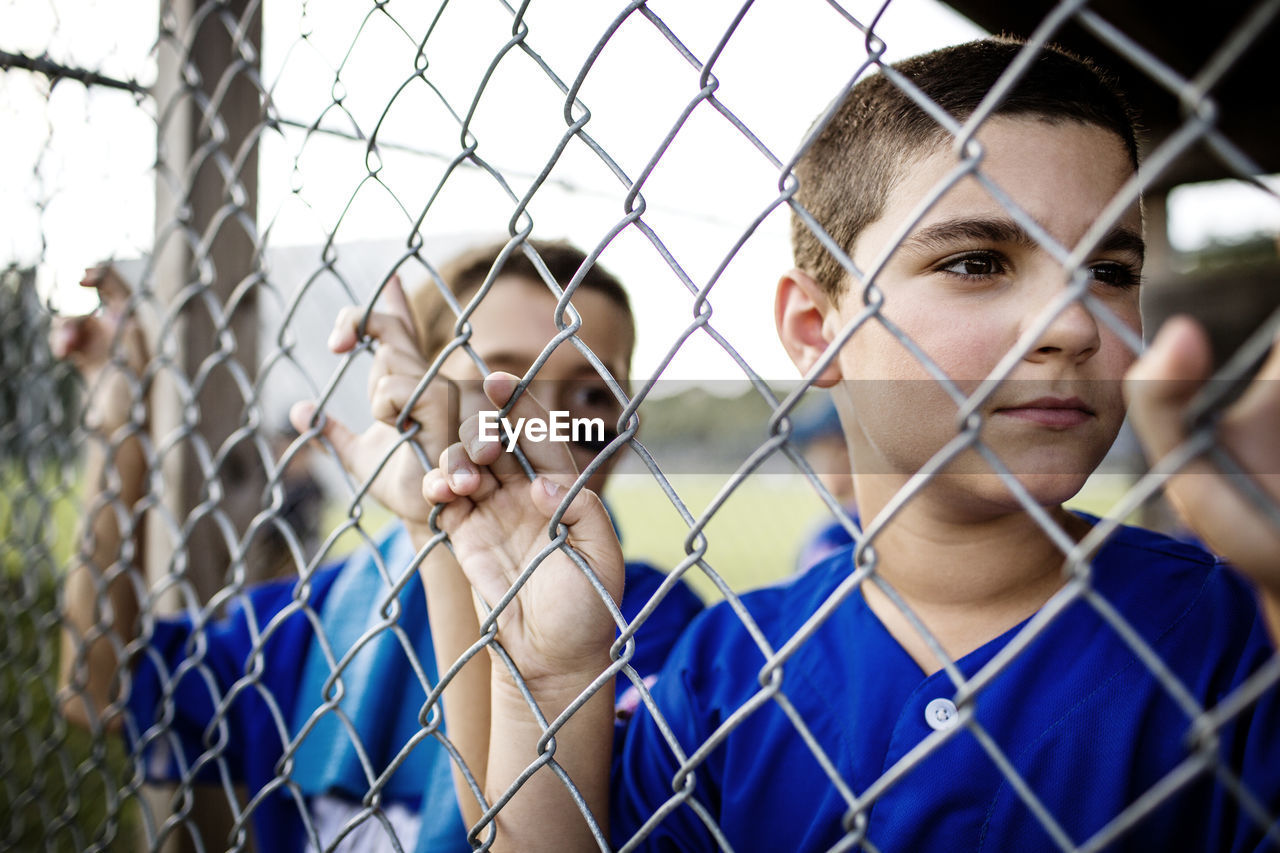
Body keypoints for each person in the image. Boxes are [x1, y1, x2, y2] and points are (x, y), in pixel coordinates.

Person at [411, 39, 1280, 851]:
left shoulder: (1237, 635)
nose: (1069, 326)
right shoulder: (730, 668)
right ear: (816, 327)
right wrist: (556, 675)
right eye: (977, 261)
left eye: (1109, 272)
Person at [55, 243, 703, 853]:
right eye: (501, 384)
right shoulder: (322, 616)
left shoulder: (657, 629)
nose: (547, 426)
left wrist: (439, 528)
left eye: (593, 397)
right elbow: (98, 690)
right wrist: (117, 432)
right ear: (410, 395)